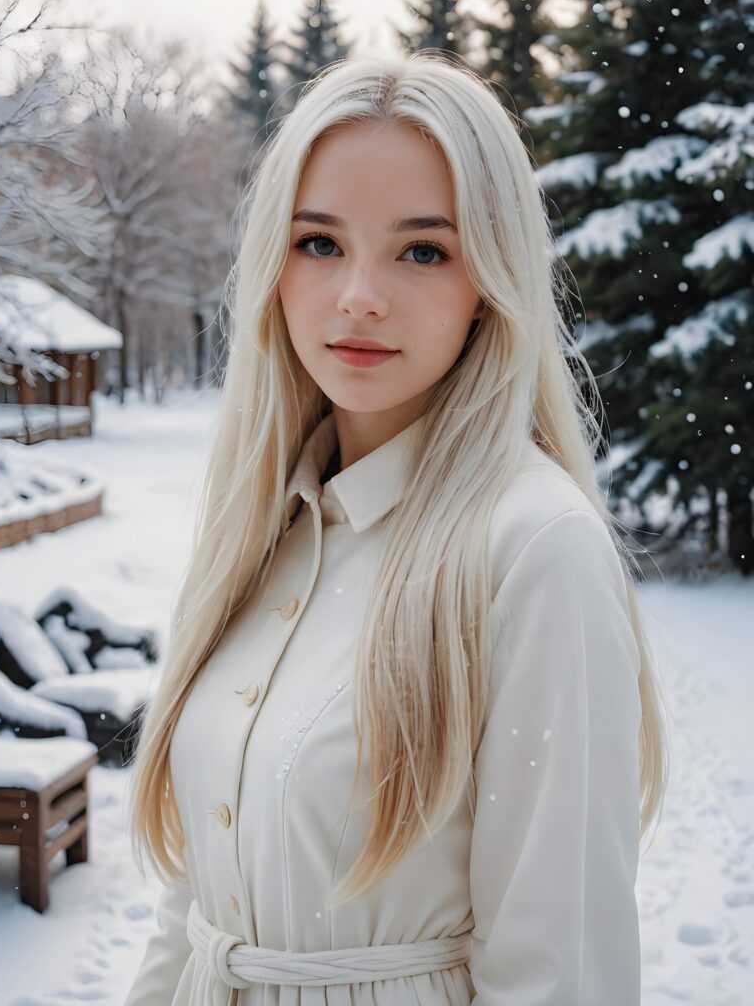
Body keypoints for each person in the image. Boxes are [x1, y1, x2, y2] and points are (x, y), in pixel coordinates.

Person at [123, 50, 670, 1006]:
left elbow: (561, 973)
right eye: (320, 243)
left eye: (423, 250)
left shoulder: (535, 550)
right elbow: (201, 905)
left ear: (491, 280)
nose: (359, 296)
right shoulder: (266, 525)